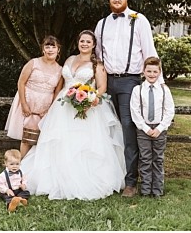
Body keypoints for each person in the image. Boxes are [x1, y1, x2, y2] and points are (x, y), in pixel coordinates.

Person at [21, 30, 126, 200]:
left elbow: (102, 88)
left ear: (93, 45)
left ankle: (83, 178)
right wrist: (52, 104)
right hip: (62, 106)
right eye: (82, 41)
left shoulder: (97, 65)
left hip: (86, 107)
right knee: (58, 141)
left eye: (88, 42)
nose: (84, 44)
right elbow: (62, 84)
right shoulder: (70, 59)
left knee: (82, 144)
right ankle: (56, 177)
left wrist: (90, 100)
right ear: (78, 42)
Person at [94, 0, 159, 198]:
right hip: (106, 82)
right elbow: (98, 57)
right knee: (105, 128)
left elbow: (150, 52)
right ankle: (108, 177)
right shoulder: (102, 24)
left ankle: (131, 182)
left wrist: (157, 85)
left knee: (128, 129)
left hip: (130, 81)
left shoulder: (139, 20)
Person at [4, 36, 63, 158]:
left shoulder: (60, 70)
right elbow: (21, 83)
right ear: (43, 49)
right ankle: (22, 164)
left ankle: (34, 165)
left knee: (40, 139)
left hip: (44, 109)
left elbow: (57, 92)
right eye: (47, 46)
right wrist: (24, 104)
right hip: (28, 105)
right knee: (27, 138)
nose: (50, 50)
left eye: (53, 47)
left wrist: (50, 110)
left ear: (58, 50)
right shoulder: (33, 63)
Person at [129, 57, 175, 198]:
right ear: (143, 72)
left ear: (159, 72)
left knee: (158, 159)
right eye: (149, 71)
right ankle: (145, 189)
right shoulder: (138, 90)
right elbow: (135, 111)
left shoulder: (164, 90)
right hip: (143, 129)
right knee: (145, 158)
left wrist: (160, 128)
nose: (152, 74)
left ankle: (157, 190)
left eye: (155, 71)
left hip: (160, 129)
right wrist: (145, 128)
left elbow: (169, 110)